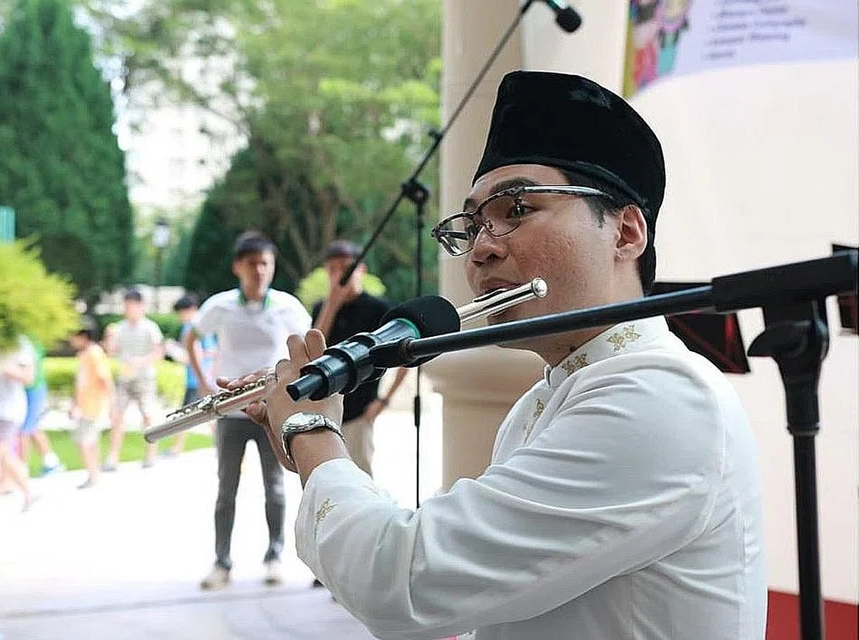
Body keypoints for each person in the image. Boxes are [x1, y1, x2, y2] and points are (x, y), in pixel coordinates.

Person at [247, 71, 767, 639]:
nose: (482, 249)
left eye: (517, 209)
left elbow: (401, 581)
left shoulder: (662, 397)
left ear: (624, 233)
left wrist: (309, 429)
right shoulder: (547, 398)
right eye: (472, 225)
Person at [185, 231, 311, 590]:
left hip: (271, 411)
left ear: (272, 267)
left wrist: (292, 387)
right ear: (238, 267)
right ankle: (222, 562)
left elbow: (310, 343)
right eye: (252, 263)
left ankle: (274, 556)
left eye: (265, 263)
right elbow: (191, 338)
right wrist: (205, 383)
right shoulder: (221, 306)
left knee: (275, 486)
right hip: (230, 412)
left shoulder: (286, 305)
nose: (259, 270)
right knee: (227, 488)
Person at [311, 240, 408, 479]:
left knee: (360, 477)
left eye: (345, 268)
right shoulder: (321, 309)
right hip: (326, 410)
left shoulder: (378, 309)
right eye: (332, 269)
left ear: (360, 270)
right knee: (327, 478)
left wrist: (383, 401)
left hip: (360, 411)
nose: (339, 275)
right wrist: (331, 304)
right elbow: (313, 351)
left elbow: (406, 355)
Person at [104, 288, 165, 471]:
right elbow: (111, 351)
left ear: (140, 306)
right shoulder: (119, 328)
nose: (128, 308)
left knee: (147, 416)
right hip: (125, 377)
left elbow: (158, 353)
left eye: (131, 305)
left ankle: (150, 455)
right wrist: (109, 338)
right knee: (117, 416)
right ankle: (112, 457)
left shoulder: (150, 327)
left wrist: (141, 362)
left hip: (145, 378)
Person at [0, 337, 38, 512]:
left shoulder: (19, 343)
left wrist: (1, 366)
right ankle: (29, 492)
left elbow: (29, 377)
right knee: (3, 456)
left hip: (5, 411)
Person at [166, 294, 217, 457]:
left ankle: (177, 447)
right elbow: (212, 352)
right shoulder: (204, 327)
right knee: (200, 414)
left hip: (197, 379)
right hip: (203, 377)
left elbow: (195, 355)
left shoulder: (191, 328)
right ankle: (178, 446)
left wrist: (173, 351)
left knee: (191, 414)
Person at [68, 326, 113, 489]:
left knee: (85, 441)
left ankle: (93, 475)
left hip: (93, 406)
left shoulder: (94, 353)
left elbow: (105, 379)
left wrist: (110, 404)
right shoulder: (84, 355)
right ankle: (94, 474)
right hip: (86, 406)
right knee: (89, 441)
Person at [16, 335, 63, 476]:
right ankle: (51, 461)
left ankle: (21, 471)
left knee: (23, 430)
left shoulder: (27, 341)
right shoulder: (30, 339)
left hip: (32, 389)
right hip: (31, 388)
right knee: (32, 427)